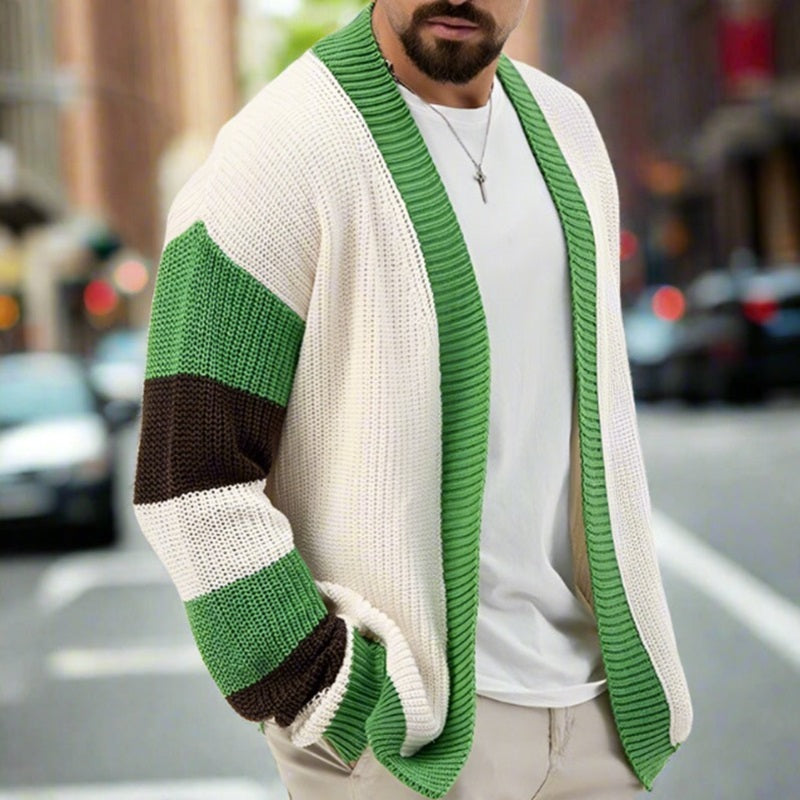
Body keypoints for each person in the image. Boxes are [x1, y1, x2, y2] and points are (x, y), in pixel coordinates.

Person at [133, 1, 693, 798]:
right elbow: (187, 477)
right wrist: (331, 697)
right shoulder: (278, 149)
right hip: (404, 744)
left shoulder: (569, 128)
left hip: (596, 723)